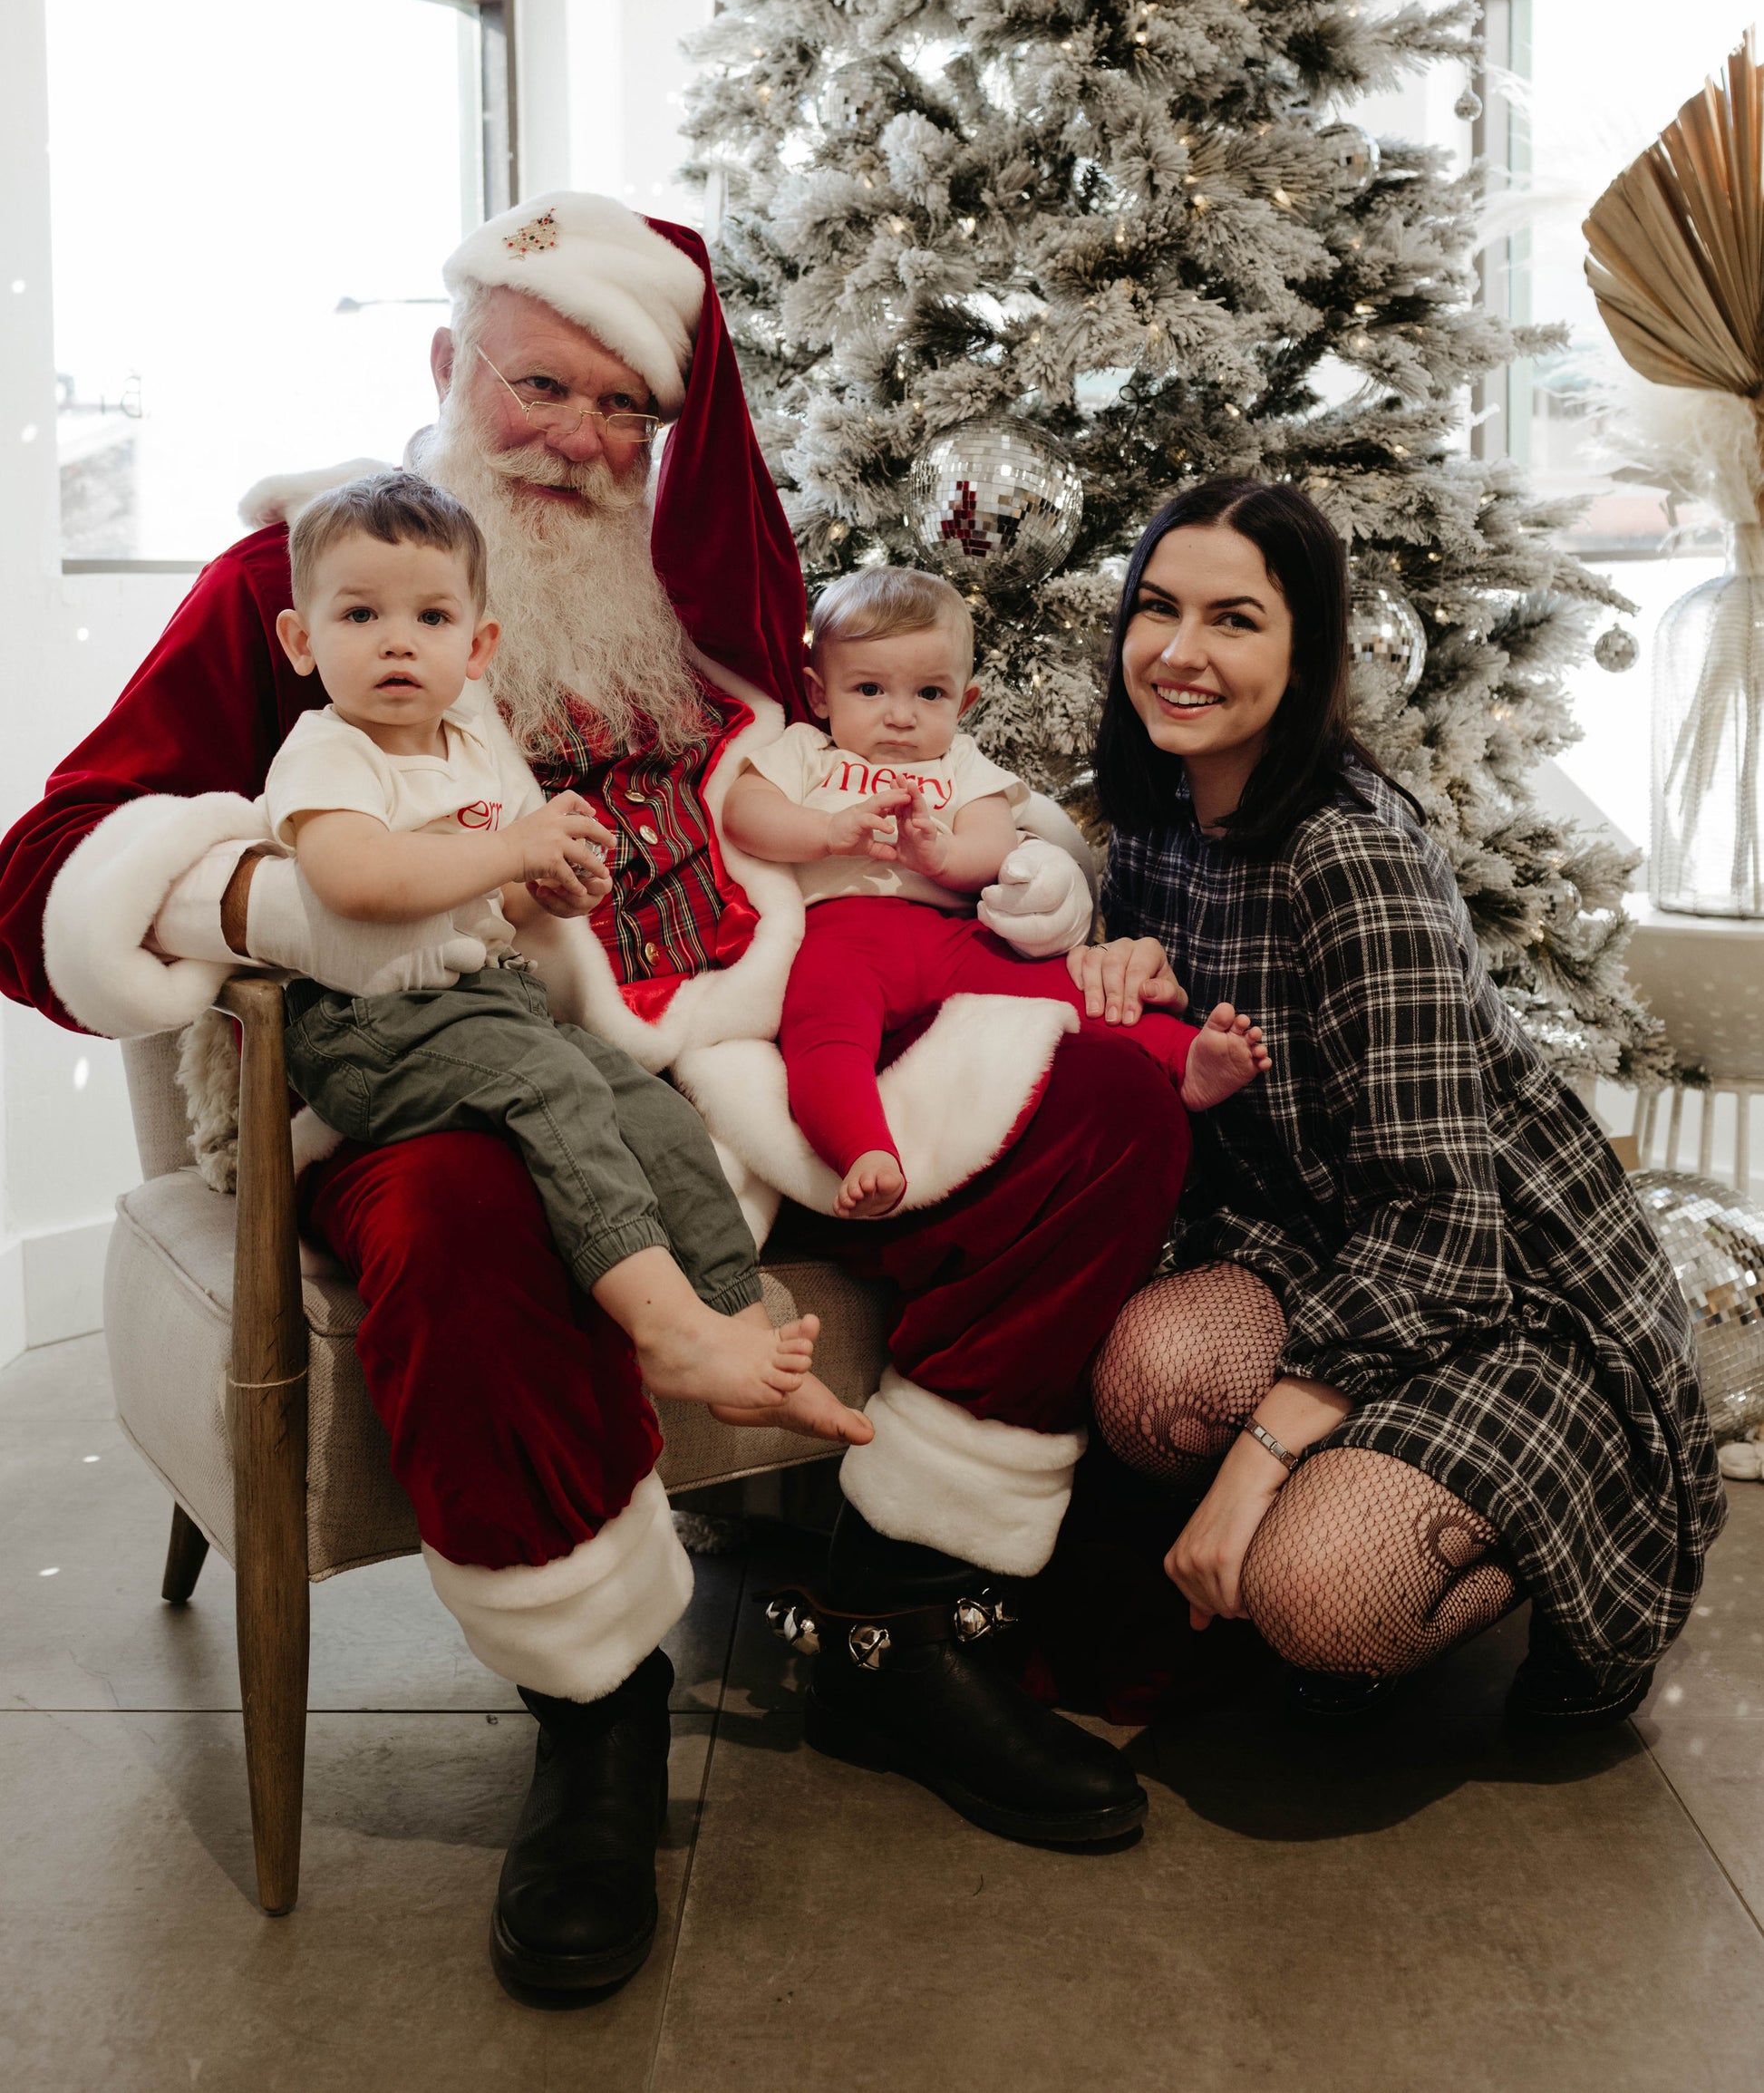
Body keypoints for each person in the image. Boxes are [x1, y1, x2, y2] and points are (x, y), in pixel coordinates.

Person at [0, 192, 1183, 2004]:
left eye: (625, 407)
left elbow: (862, 761)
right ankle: (595, 1702)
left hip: (758, 1045)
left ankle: (895, 1625)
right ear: (447, 370)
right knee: (457, 1208)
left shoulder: (696, 597)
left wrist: (1012, 869)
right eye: (538, 387)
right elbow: (52, 865)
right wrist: (279, 893)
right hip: (446, 1070)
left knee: (1105, 1103)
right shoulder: (308, 581)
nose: (578, 439)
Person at [1071, 476, 1725, 1729]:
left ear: (1306, 649)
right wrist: (1108, 994)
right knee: (1150, 1375)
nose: (1178, 651)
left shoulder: (1346, 856)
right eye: (1156, 608)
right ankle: (1315, 1507)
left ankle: (1528, 1551)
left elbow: (1439, 1226)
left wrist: (1250, 1466)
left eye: (1233, 618)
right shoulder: (1149, 828)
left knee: (1322, 1593)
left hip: (1503, 1290)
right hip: (1312, 1250)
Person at [265, 465, 866, 1442]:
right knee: (557, 1090)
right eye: (360, 614)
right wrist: (509, 846)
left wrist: (546, 888)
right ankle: (665, 1329)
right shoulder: (332, 750)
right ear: (302, 639)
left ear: (478, 644)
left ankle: (738, 1329)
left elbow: (491, 898)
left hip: (485, 1008)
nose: (396, 641)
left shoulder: (467, 749)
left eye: (430, 617)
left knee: (656, 1113)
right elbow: (355, 879)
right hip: (370, 1027)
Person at [724, 565, 1268, 1216]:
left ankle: (1185, 1057)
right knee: (822, 1030)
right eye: (869, 689)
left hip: (953, 934)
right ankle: (863, 1149)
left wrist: (943, 853)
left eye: (929, 694)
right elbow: (744, 812)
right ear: (819, 694)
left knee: (1067, 988)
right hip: (843, 939)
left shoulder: (961, 765)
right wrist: (828, 831)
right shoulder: (808, 752)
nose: (900, 717)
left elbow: (995, 844)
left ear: (965, 702)